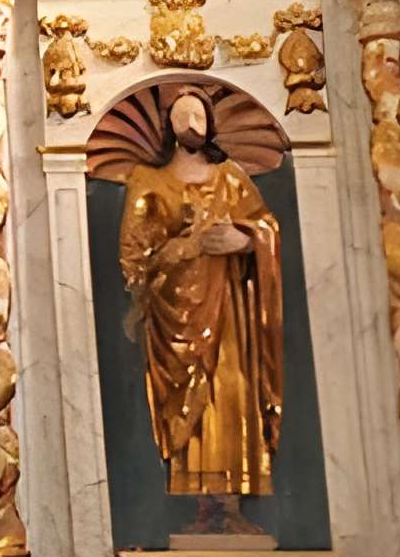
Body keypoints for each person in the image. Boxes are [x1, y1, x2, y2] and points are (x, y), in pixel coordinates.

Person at [117, 83, 286, 502]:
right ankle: (192, 497)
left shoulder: (230, 179)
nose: (191, 123)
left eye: (198, 115)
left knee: (230, 387)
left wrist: (245, 240)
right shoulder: (149, 181)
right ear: (168, 125)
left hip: (228, 307)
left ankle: (230, 499)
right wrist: (175, 253)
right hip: (174, 312)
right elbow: (133, 256)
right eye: (182, 115)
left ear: (210, 123)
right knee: (187, 405)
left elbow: (266, 225)